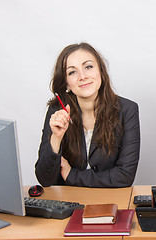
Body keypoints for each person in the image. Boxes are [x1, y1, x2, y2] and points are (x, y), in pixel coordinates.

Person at [35, 43, 140, 188]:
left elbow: (125, 176)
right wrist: (56, 138)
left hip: (110, 201)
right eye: (72, 72)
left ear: (101, 72)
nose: (82, 76)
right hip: (68, 203)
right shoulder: (57, 111)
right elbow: (44, 179)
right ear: (66, 83)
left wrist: (72, 175)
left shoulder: (127, 110)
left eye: (88, 67)